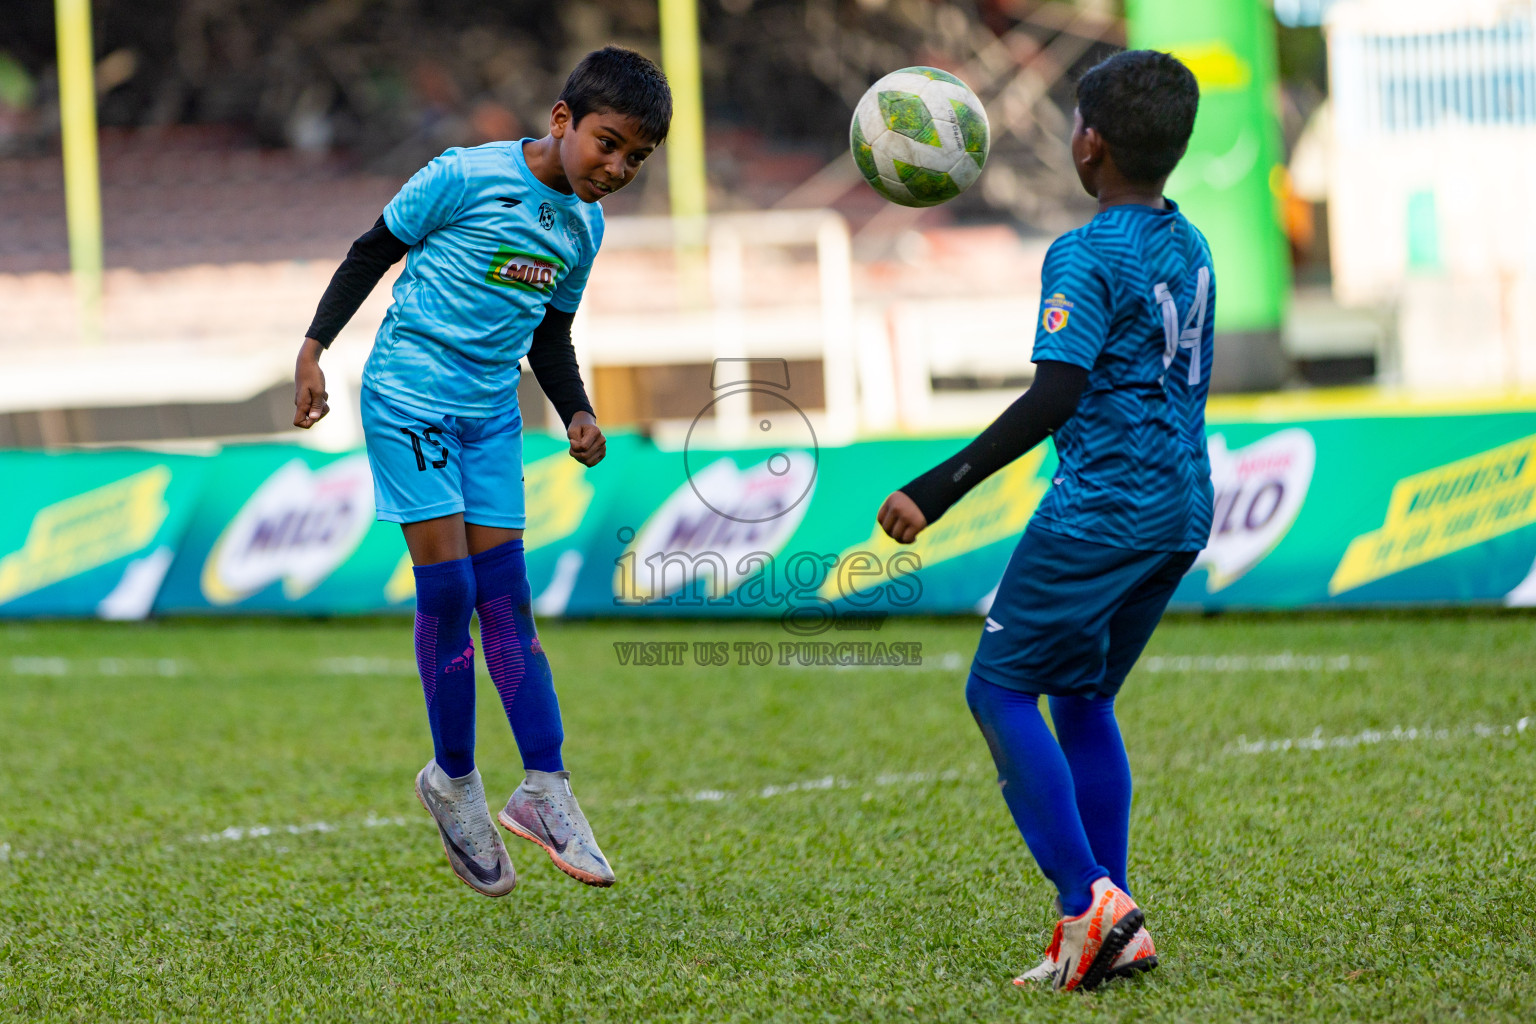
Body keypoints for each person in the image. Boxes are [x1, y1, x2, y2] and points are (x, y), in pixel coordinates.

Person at [291, 46, 671, 896]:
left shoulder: (586, 227)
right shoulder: (463, 177)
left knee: (506, 598)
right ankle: (454, 782)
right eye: (608, 144)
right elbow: (369, 251)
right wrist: (314, 352)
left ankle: (545, 790)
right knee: (452, 593)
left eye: (636, 159)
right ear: (562, 119)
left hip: (492, 413)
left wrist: (576, 408)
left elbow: (550, 335)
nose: (617, 168)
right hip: (408, 395)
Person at [876, 50, 1210, 991]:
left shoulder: (1087, 251)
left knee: (998, 691)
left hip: (1103, 510)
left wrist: (935, 489)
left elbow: (1057, 393)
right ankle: (1109, 922)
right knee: (1085, 698)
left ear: (1090, 143)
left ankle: (1086, 903)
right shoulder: (1189, 242)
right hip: (1180, 507)